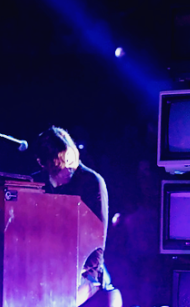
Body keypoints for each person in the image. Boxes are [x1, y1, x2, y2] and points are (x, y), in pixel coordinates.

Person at [33, 126, 122, 307]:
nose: (67, 170)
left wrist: (69, 274)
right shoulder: (35, 183)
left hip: (85, 272)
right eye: (59, 167)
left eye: (69, 162)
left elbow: (97, 243)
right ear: (44, 164)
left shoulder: (92, 182)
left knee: (54, 301)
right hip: (46, 267)